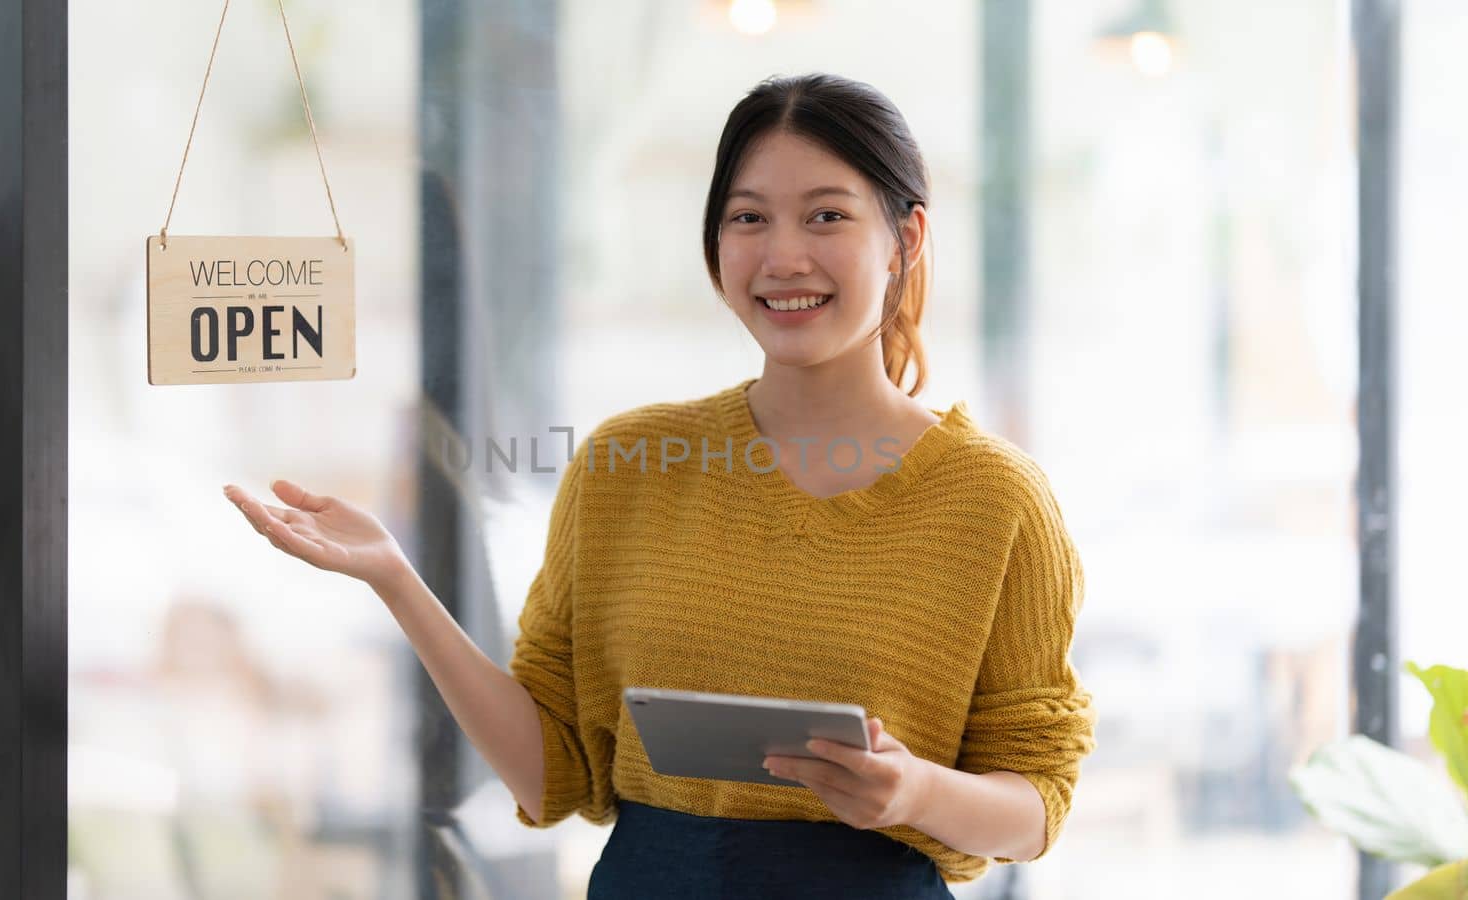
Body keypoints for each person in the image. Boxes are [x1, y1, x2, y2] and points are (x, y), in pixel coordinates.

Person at [224, 72, 1096, 899]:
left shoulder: (995, 500)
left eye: (826, 216)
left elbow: (1035, 806)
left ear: (905, 239)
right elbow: (550, 767)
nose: (784, 255)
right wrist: (394, 577)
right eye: (749, 218)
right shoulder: (626, 464)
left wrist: (911, 794)